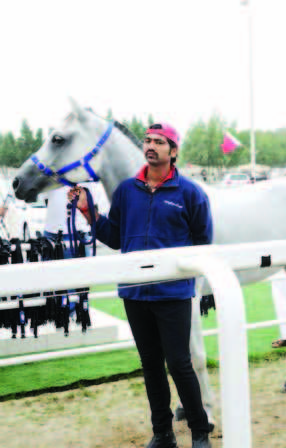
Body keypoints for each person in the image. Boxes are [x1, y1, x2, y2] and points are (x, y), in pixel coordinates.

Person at [69, 122, 213, 448]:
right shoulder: (125, 191)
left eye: (159, 142)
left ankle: (200, 431)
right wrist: (89, 213)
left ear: (173, 151)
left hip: (173, 292)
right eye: (147, 140)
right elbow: (115, 238)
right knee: (150, 365)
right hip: (134, 292)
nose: (151, 146)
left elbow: (203, 244)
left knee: (179, 363)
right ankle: (163, 433)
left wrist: (185, 277)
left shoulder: (190, 193)